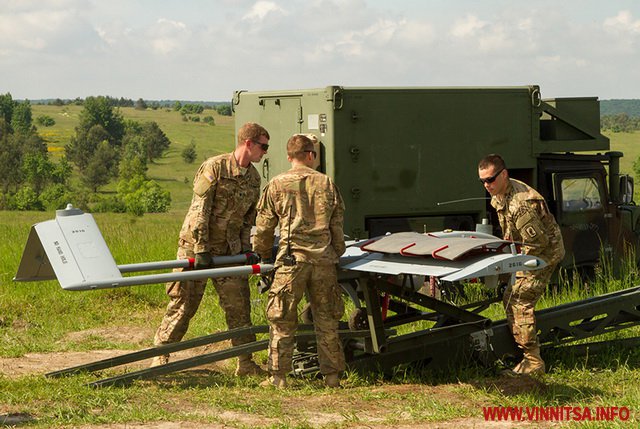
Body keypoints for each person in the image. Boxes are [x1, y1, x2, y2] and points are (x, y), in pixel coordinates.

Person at [151, 122, 270, 377]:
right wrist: (202, 248)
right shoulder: (215, 167)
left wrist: (247, 249)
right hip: (196, 248)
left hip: (229, 252)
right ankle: (159, 356)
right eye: (263, 146)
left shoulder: (253, 179)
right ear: (248, 143)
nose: (265, 152)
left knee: (239, 307)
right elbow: (199, 211)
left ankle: (245, 363)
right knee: (184, 305)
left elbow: (248, 219)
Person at [253, 133, 346, 389]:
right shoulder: (327, 184)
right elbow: (337, 227)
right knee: (327, 321)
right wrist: (336, 252)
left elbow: (263, 228)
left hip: (291, 262)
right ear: (310, 155)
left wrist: (263, 254)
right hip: (323, 263)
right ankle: (332, 377)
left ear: (288, 156)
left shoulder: (276, 184)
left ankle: (278, 377)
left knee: (282, 320)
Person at [478, 154, 565, 375]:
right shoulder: (500, 194)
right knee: (510, 295)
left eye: (491, 179)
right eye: (483, 181)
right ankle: (521, 352)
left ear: (504, 174)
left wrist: (515, 265)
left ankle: (533, 361)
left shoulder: (521, 204)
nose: (487, 185)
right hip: (528, 251)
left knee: (519, 298)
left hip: (544, 252)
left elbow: (538, 243)